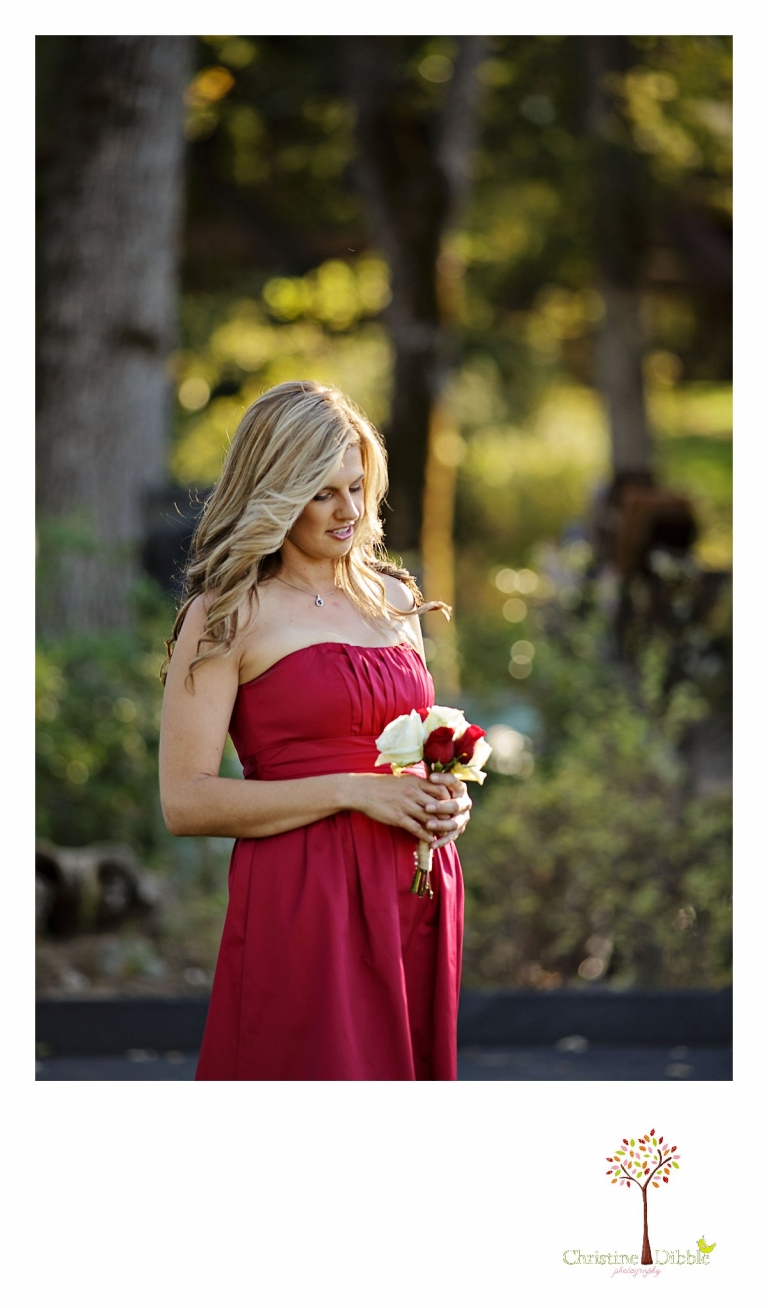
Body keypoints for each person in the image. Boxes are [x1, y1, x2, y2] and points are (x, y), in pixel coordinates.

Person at [159, 379, 472, 1080]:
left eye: (358, 487)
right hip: (306, 896)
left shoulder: (394, 596)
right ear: (273, 490)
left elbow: (419, 749)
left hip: (415, 888)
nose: (349, 511)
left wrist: (448, 799)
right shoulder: (227, 616)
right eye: (324, 492)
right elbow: (185, 802)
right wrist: (354, 792)